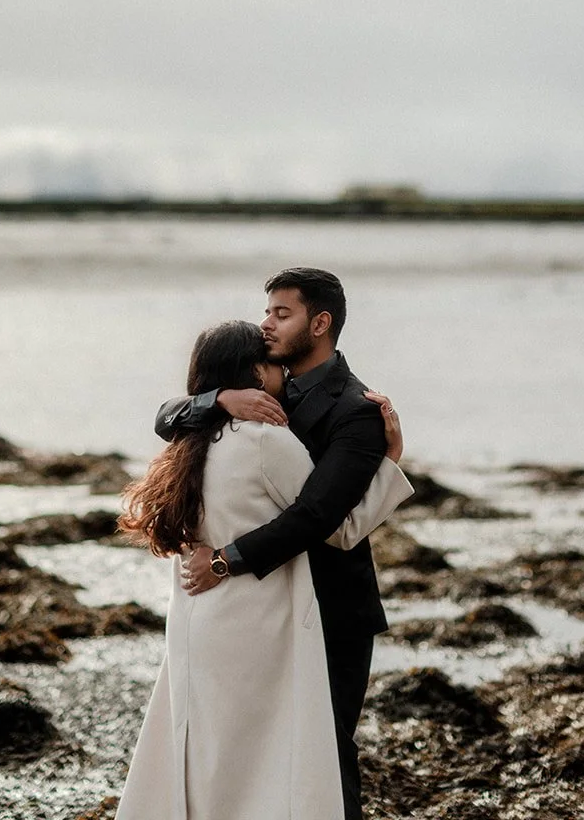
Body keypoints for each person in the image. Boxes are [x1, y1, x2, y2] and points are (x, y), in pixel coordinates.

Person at [116, 317, 410, 820]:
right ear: (255, 370)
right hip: (259, 617)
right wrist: (392, 461)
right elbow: (333, 525)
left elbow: (169, 416)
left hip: (198, 612)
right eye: (270, 361)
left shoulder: (190, 441)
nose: (279, 357)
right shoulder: (267, 440)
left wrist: (220, 400)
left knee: (209, 752)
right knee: (273, 755)